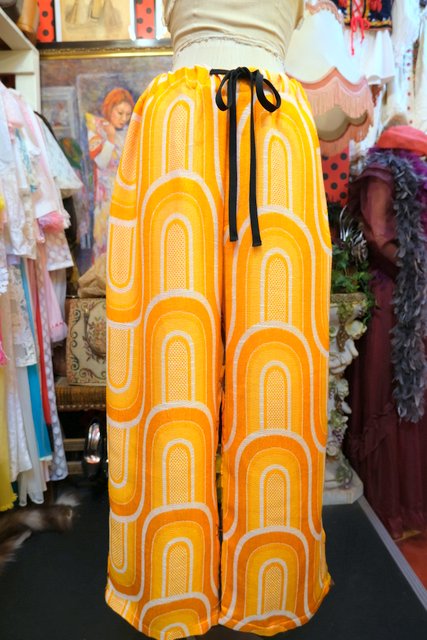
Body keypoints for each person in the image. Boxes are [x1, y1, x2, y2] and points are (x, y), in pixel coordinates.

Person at [106, 1, 332, 638]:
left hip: (269, 122)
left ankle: (268, 580)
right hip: (184, 123)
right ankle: (171, 580)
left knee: (277, 363)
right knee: (169, 358)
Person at [346, 125, 427, 539]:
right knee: (388, 388)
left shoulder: (407, 173)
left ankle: (409, 506)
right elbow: (378, 234)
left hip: (411, 294)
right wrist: (417, 265)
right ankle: (388, 506)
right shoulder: (380, 173)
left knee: (410, 392)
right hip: (390, 296)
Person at [85, 87, 134, 259]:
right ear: (110, 109)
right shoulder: (97, 130)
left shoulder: (130, 133)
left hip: (127, 195)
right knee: (105, 240)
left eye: (128, 114)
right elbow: (102, 162)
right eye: (120, 113)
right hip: (106, 199)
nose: (124, 119)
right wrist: (111, 138)